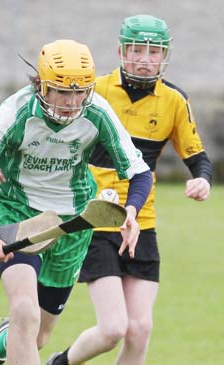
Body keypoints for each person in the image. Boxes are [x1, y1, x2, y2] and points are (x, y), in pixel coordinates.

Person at [0, 39, 153, 365]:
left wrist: (131, 211)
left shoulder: (97, 111)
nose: (72, 103)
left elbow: (140, 173)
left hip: (73, 225)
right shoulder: (16, 112)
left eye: (80, 92)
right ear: (42, 85)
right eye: (62, 91)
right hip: (16, 213)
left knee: (39, 336)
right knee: (25, 312)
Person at [46, 15, 212, 365]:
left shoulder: (174, 101)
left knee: (140, 329)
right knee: (113, 329)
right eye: (137, 49)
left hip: (142, 225)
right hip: (95, 221)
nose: (144, 58)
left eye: (153, 51)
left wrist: (202, 179)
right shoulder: (95, 90)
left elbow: (197, 156)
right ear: (122, 51)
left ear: (164, 55)